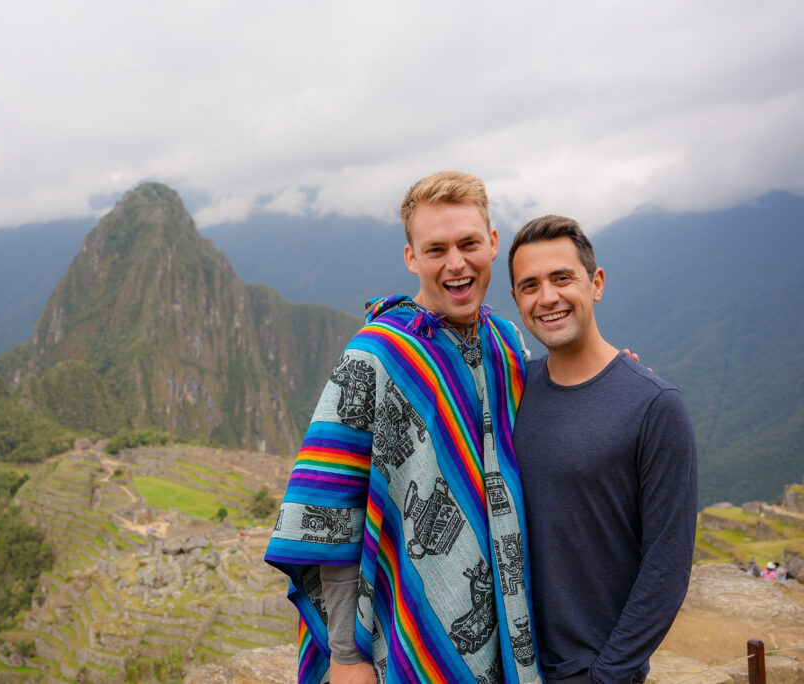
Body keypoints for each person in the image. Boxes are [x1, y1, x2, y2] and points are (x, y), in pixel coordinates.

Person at [266, 172, 543, 683]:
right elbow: (329, 512)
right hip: (401, 631)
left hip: (508, 618)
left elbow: (548, 424)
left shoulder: (507, 345)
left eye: (468, 244)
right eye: (436, 249)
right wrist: (347, 656)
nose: (456, 263)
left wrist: (610, 385)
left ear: (493, 244)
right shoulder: (376, 358)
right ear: (412, 257)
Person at [508, 215, 697, 684]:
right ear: (516, 300)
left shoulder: (655, 406)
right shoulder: (510, 388)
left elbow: (667, 568)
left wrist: (607, 676)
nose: (547, 297)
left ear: (596, 283)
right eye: (529, 285)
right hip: (508, 666)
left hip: (591, 672)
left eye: (561, 278)